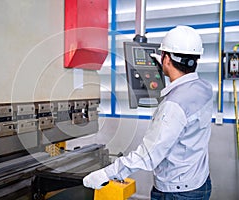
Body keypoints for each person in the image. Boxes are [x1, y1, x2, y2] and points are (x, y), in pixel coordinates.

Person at [83, 25, 213, 200]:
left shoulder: (173, 105)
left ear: (167, 59)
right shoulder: (204, 88)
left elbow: (148, 156)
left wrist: (106, 174)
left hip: (177, 192)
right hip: (200, 182)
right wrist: (164, 65)